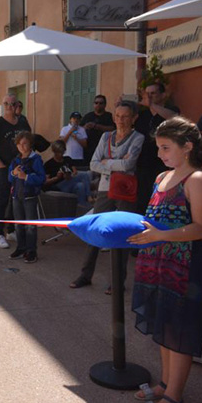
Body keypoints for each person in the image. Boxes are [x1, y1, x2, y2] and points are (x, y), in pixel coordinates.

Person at [128, 117, 202, 403]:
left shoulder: (198, 180)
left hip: (183, 268)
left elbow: (201, 229)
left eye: (166, 147)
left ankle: (175, 398)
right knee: (163, 326)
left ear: (187, 147)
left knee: (179, 331)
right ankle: (165, 384)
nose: (160, 153)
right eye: (159, 147)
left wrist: (160, 235)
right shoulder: (161, 177)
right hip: (156, 262)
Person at [70, 101, 145, 292]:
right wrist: (117, 163)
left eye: (125, 116)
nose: (120, 120)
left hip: (126, 191)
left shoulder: (138, 138)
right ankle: (85, 275)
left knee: (122, 234)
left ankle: (118, 281)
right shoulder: (106, 137)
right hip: (105, 188)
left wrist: (107, 162)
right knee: (96, 229)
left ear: (133, 118)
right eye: (117, 116)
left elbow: (129, 165)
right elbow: (94, 163)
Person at [0, 93, 31, 249]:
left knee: (16, 200)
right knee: (2, 199)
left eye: (13, 104)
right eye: (6, 104)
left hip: (21, 167)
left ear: (18, 105)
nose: (10, 107)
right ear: (3, 106)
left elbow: (29, 141)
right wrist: (0, 165)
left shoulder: (23, 122)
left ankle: (11, 230)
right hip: (5, 168)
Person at [134, 83, 179, 214]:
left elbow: (175, 118)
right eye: (147, 94)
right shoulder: (142, 115)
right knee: (142, 200)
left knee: (162, 197)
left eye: (153, 93)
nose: (149, 97)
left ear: (163, 95)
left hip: (163, 164)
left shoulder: (170, 109)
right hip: (143, 164)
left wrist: (152, 105)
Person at [8, 131, 45, 264]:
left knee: (30, 225)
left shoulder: (36, 159)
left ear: (30, 144)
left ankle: (31, 251)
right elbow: (9, 178)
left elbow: (41, 178)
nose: (22, 146)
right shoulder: (15, 160)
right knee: (19, 224)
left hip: (29, 196)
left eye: (25, 143)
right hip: (16, 196)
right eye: (19, 144)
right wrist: (14, 173)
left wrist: (27, 177)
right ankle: (21, 248)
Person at [43, 140, 92, 206]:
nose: (60, 154)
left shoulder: (67, 159)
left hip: (70, 181)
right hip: (58, 186)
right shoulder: (49, 164)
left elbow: (75, 171)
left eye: (62, 152)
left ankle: (81, 205)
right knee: (84, 175)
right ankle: (89, 196)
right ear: (54, 151)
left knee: (80, 185)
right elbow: (45, 182)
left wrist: (70, 175)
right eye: (58, 152)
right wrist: (56, 178)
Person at [80, 95, 114, 163]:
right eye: (96, 103)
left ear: (105, 104)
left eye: (101, 103)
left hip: (105, 148)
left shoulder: (109, 116)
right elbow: (79, 129)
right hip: (89, 149)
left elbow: (113, 128)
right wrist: (85, 127)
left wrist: (96, 126)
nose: (98, 105)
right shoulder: (88, 116)